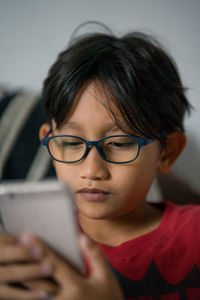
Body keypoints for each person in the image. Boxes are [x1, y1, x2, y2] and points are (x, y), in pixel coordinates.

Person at [0, 26, 200, 300]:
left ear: (168, 152)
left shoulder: (195, 235)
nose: (92, 170)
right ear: (49, 140)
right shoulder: (36, 250)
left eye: (119, 144)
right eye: (71, 143)